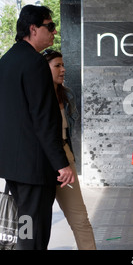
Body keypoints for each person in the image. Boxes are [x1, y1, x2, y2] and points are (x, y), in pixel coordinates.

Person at [0, 5, 74, 250]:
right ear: (33, 29)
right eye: (50, 26)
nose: (54, 32)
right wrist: (61, 163)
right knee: (33, 233)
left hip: (13, 166)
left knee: (26, 226)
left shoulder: (7, 59)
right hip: (33, 166)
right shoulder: (35, 63)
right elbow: (43, 118)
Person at [42, 49, 97, 250]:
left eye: (63, 65)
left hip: (65, 157)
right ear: (44, 68)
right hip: (40, 160)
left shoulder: (67, 95)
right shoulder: (34, 96)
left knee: (79, 218)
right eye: (57, 66)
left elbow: (69, 128)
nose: (63, 69)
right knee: (38, 223)